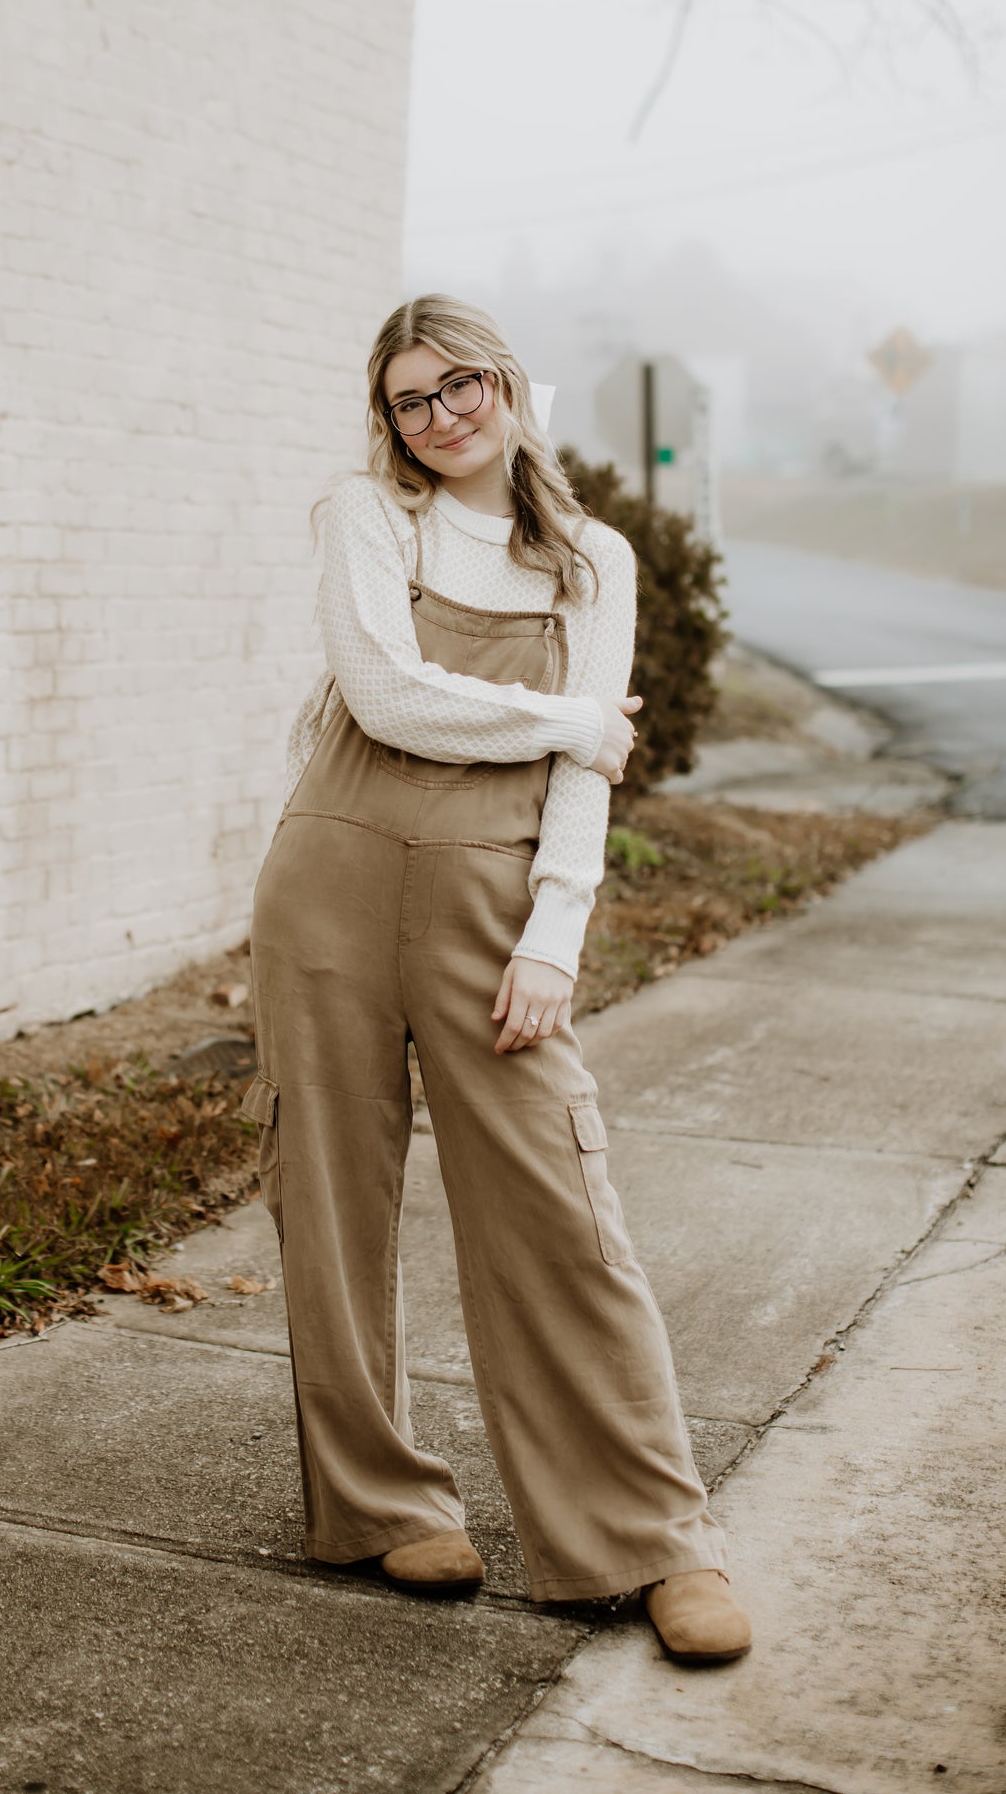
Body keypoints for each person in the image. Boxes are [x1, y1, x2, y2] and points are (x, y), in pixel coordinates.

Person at [244, 295, 750, 1665]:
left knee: (561, 1210)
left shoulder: (592, 560)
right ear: (387, 417)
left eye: (457, 384)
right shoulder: (369, 518)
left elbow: (577, 789)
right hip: (332, 883)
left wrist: (551, 937)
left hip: (490, 903)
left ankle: (646, 1543)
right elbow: (387, 694)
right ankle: (374, 1502)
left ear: (507, 382)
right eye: (409, 399)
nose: (439, 417)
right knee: (333, 1201)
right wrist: (575, 721)